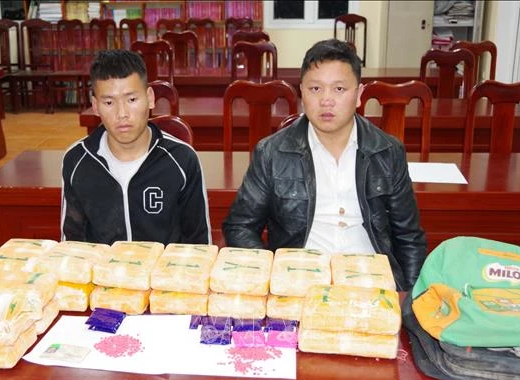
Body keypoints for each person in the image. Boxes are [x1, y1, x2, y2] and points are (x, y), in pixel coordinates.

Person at [222, 39, 426, 290]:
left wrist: (409, 299)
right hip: (300, 284)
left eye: (339, 89)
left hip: (371, 283)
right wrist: (275, 275)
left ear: (359, 95)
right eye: (315, 89)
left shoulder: (387, 152)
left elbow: (409, 237)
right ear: (302, 92)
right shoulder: (272, 153)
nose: (326, 100)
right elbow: (239, 227)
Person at [61, 49, 211, 245]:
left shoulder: (182, 159)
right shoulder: (77, 161)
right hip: (101, 266)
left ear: (150, 98)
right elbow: (72, 245)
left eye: (131, 100)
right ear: (95, 106)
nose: (122, 113)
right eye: (109, 102)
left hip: (164, 265)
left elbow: (199, 244)